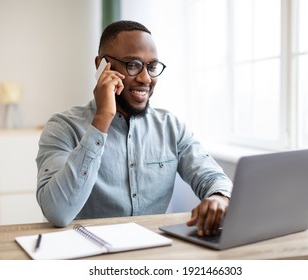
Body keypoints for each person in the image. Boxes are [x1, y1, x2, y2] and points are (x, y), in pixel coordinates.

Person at [36, 20, 233, 236]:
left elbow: (213, 177)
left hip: (153, 253)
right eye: (133, 65)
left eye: (152, 66)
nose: (145, 78)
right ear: (101, 65)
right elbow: (57, 212)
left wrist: (219, 198)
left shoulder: (171, 127)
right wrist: (102, 118)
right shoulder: (63, 127)